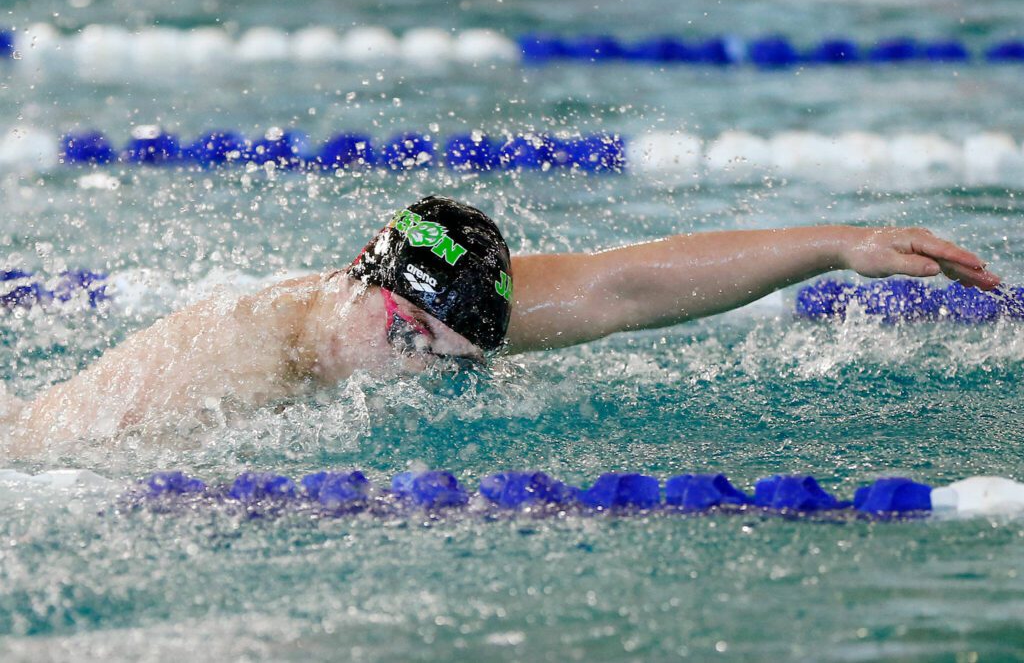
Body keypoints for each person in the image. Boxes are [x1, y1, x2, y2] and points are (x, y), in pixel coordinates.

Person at [0, 195, 1000, 458]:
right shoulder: (231, 366)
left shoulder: (421, 315)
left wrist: (841, 245)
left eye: (455, 362)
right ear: (365, 286)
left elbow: (624, 288)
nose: (424, 375)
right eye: (410, 347)